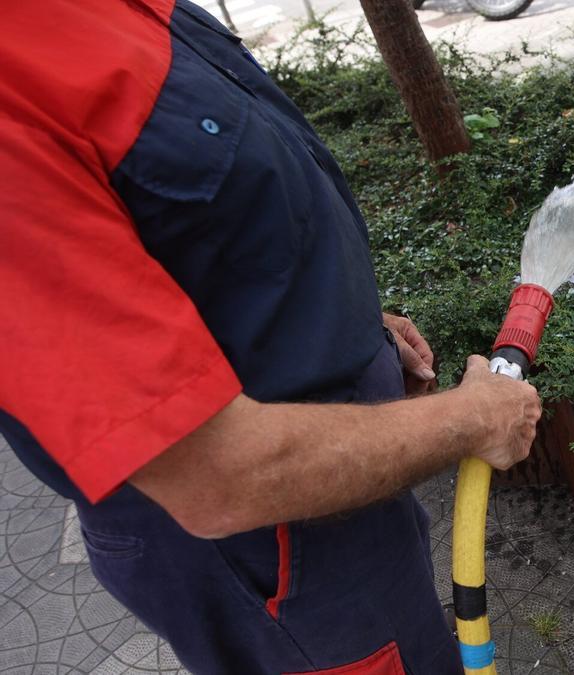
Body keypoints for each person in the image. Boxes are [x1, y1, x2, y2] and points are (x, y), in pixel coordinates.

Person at [0, 1, 541, 673]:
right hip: (274, 544)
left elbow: (196, 223)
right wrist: (470, 419)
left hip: (329, 507)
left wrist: (337, 322)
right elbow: (218, 476)